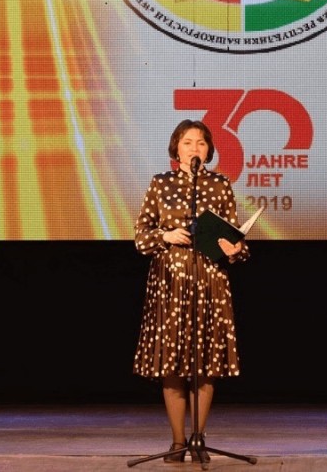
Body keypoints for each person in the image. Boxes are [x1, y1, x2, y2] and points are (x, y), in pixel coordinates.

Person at [133, 119, 249, 464]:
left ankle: (198, 438)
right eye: (187, 142)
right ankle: (177, 442)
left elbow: (236, 238)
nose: (194, 148)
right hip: (170, 281)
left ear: (209, 150)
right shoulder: (160, 184)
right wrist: (165, 236)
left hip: (209, 280)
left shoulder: (220, 184)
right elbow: (141, 236)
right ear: (176, 148)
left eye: (201, 142)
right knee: (171, 364)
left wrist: (235, 249)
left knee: (205, 362)